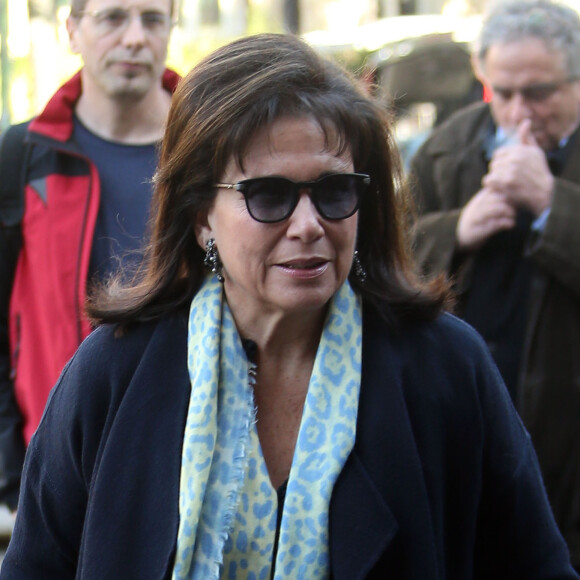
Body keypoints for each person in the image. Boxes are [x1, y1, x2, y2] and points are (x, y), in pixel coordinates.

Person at [2, 32, 577, 579]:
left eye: (334, 191)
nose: (308, 226)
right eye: (269, 195)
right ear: (201, 215)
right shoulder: (115, 373)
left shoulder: (446, 368)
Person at [408, 0, 580, 568]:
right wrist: (458, 228)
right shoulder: (444, 149)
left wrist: (552, 207)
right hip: (470, 421)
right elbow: (387, 261)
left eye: (539, 92)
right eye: (501, 92)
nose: (517, 112)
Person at [0, 0, 180, 511]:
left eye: (152, 19)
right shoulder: (25, 156)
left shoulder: (211, 148)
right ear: (72, 30)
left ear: (171, 28)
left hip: (192, 457)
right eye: (112, 18)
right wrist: (13, 470)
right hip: (59, 466)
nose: (134, 38)